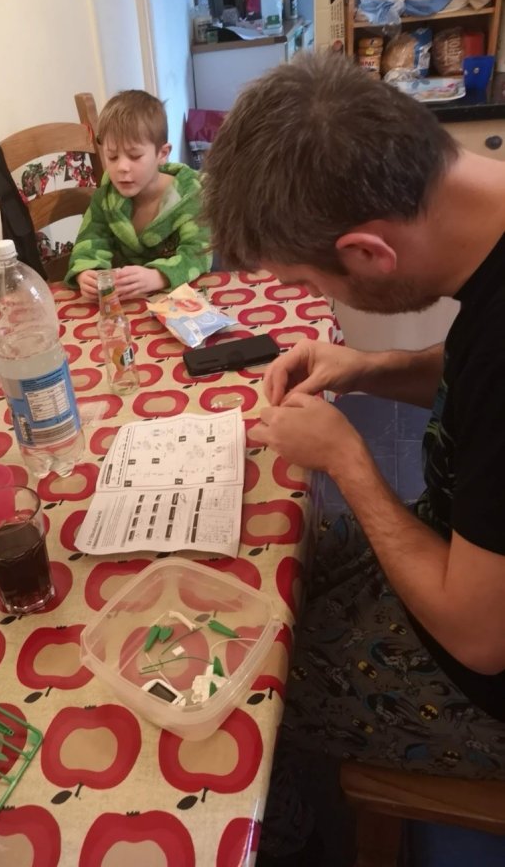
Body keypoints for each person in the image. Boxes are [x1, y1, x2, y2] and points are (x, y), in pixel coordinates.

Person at [203, 49, 505, 857]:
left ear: (368, 252)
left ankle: (286, 832)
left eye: (313, 286)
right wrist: (367, 367)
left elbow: (480, 638)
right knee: (274, 571)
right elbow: (473, 377)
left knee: (249, 686)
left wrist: (347, 459)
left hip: (486, 670)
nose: (318, 302)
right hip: (465, 559)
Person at [65, 89, 212, 299]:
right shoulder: (105, 198)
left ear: (162, 154)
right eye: (112, 157)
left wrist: (159, 276)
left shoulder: (192, 196)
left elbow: (198, 254)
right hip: (126, 305)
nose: (122, 167)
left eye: (134, 156)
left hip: (183, 301)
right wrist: (86, 273)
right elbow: (90, 243)